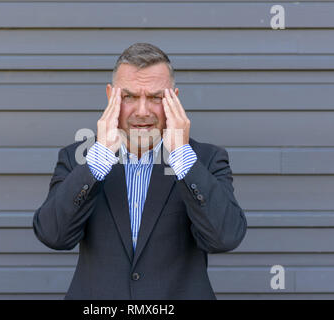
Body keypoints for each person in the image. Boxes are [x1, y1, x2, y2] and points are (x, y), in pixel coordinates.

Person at [33, 43, 247, 300]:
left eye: (156, 97)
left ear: (174, 99)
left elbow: (225, 238)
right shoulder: (78, 158)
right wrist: (99, 160)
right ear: (111, 96)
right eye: (129, 97)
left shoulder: (205, 160)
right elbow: (53, 235)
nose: (142, 111)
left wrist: (182, 158)